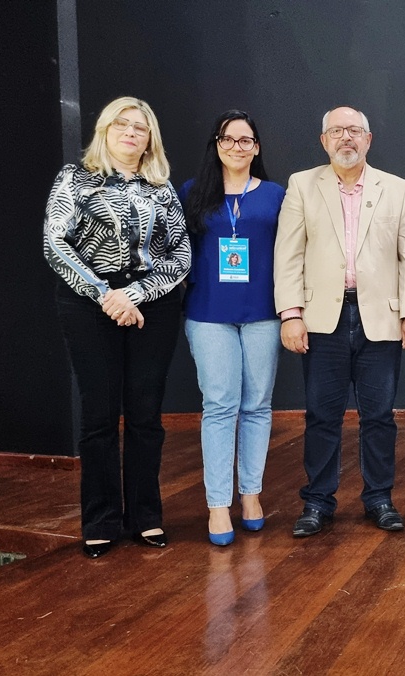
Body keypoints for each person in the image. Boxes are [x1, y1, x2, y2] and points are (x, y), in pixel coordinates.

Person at [43, 96, 190, 558]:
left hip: (153, 304)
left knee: (146, 415)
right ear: (106, 129)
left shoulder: (161, 189)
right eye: (122, 124)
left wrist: (136, 294)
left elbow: (180, 253)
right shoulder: (75, 178)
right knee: (100, 414)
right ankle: (101, 519)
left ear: (150, 140)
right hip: (89, 304)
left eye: (140, 128)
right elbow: (55, 243)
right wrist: (106, 295)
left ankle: (146, 516)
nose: (130, 133)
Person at [274, 106, 405, 537]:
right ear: (324, 141)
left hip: (381, 317)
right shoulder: (302, 186)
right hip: (322, 317)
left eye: (354, 131)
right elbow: (289, 255)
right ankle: (318, 502)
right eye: (337, 131)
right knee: (322, 415)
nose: (346, 138)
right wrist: (291, 314)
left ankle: (379, 498)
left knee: (379, 415)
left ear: (368, 139)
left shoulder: (397, 190)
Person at [179, 110, 285, 546]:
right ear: (216, 145)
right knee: (221, 404)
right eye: (229, 139)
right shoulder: (192, 193)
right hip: (208, 314)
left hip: (263, 313)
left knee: (258, 404)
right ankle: (218, 504)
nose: (237, 147)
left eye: (246, 140)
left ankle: (252, 496)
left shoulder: (277, 195)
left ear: (257, 147)